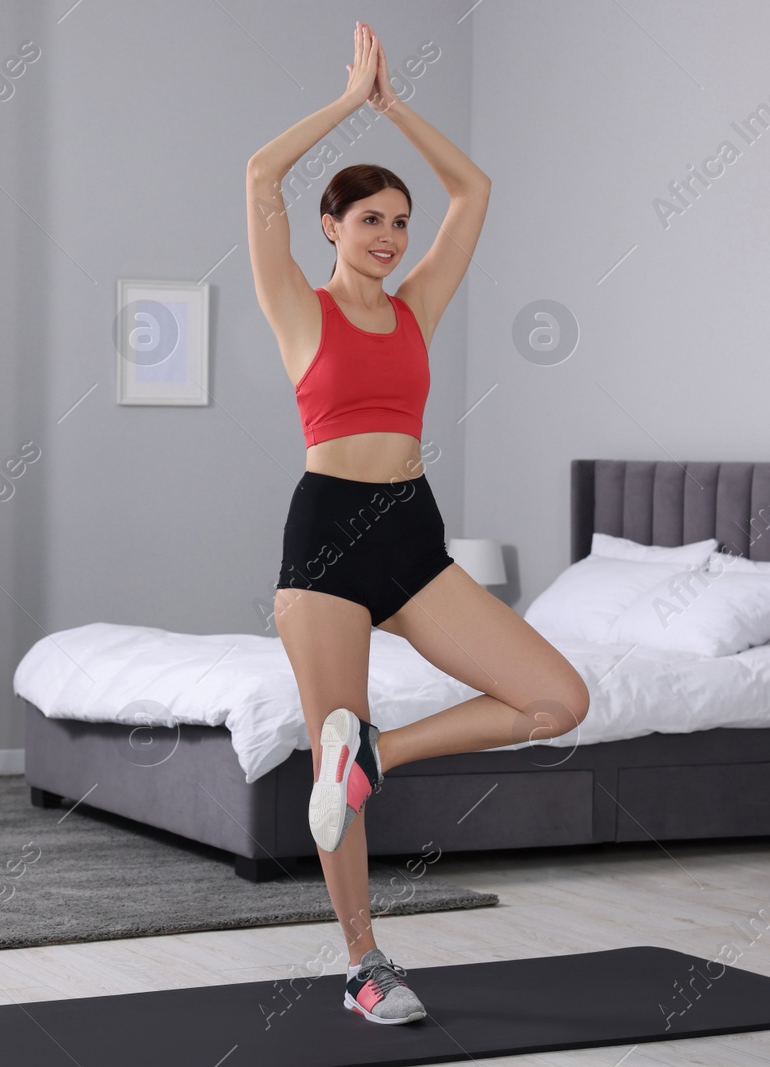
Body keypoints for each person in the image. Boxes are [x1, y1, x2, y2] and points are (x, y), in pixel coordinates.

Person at [244, 20, 590, 1026]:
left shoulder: (418, 305)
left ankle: (379, 756)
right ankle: (363, 961)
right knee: (324, 763)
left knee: (554, 697)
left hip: (410, 532)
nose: (391, 235)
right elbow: (262, 172)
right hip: (324, 543)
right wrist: (352, 99)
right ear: (331, 228)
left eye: (399, 219)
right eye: (370, 220)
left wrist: (399, 109)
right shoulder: (297, 308)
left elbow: (475, 192)